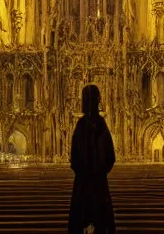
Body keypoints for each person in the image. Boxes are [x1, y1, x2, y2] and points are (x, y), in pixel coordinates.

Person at [68, 84, 116, 234]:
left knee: (82, 215)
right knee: (100, 216)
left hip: (83, 182)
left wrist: (82, 171)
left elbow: (74, 156)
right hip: (98, 182)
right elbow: (110, 156)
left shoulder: (82, 125)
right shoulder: (100, 125)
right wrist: (100, 171)